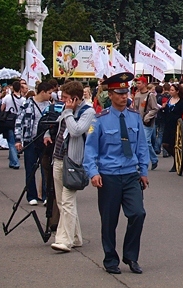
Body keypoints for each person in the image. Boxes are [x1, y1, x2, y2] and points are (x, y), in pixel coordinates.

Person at [84, 72, 149, 274]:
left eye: (125, 92)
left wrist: (144, 170)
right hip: (109, 175)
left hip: (131, 174)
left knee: (138, 213)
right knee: (109, 221)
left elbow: (141, 146)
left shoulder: (134, 117)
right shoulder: (99, 120)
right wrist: (93, 172)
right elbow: (91, 149)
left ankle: (131, 257)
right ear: (110, 94)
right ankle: (110, 259)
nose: (124, 96)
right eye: (119, 93)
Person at [45, 81, 95, 252]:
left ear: (74, 98)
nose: (62, 101)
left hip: (73, 162)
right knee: (62, 202)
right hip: (58, 159)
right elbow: (58, 127)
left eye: (65, 98)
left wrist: (68, 112)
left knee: (67, 202)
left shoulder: (88, 112)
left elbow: (76, 130)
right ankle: (75, 237)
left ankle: (64, 240)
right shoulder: (65, 110)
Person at [15, 82, 52, 205]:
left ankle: (46, 195)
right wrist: (18, 139)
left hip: (44, 140)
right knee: (30, 168)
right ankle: (31, 196)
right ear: (43, 92)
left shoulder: (50, 105)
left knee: (45, 169)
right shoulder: (27, 104)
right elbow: (19, 122)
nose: (51, 95)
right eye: (49, 93)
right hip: (30, 140)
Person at [160, 84, 183, 172]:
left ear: (177, 91)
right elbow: (165, 112)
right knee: (165, 144)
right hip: (168, 124)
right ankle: (176, 157)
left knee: (174, 144)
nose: (170, 92)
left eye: (172, 90)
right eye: (170, 90)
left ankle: (176, 162)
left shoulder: (181, 102)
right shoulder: (169, 100)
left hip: (177, 125)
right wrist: (163, 108)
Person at [133, 76, 159, 171]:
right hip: (138, 121)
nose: (137, 85)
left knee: (146, 142)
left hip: (147, 122)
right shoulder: (137, 95)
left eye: (139, 83)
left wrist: (148, 116)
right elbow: (135, 108)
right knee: (139, 142)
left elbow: (155, 108)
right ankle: (144, 161)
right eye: (137, 83)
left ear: (144, 84)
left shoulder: (150, 95)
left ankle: (153, 159)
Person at [0, 80, 25, 169]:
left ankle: (15, 162)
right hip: (19, 121)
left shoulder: (7, 97)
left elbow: (2, 108)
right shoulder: (23, 99)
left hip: (9, 121)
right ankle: (12, 161)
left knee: (11, 142)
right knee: (16, 140)